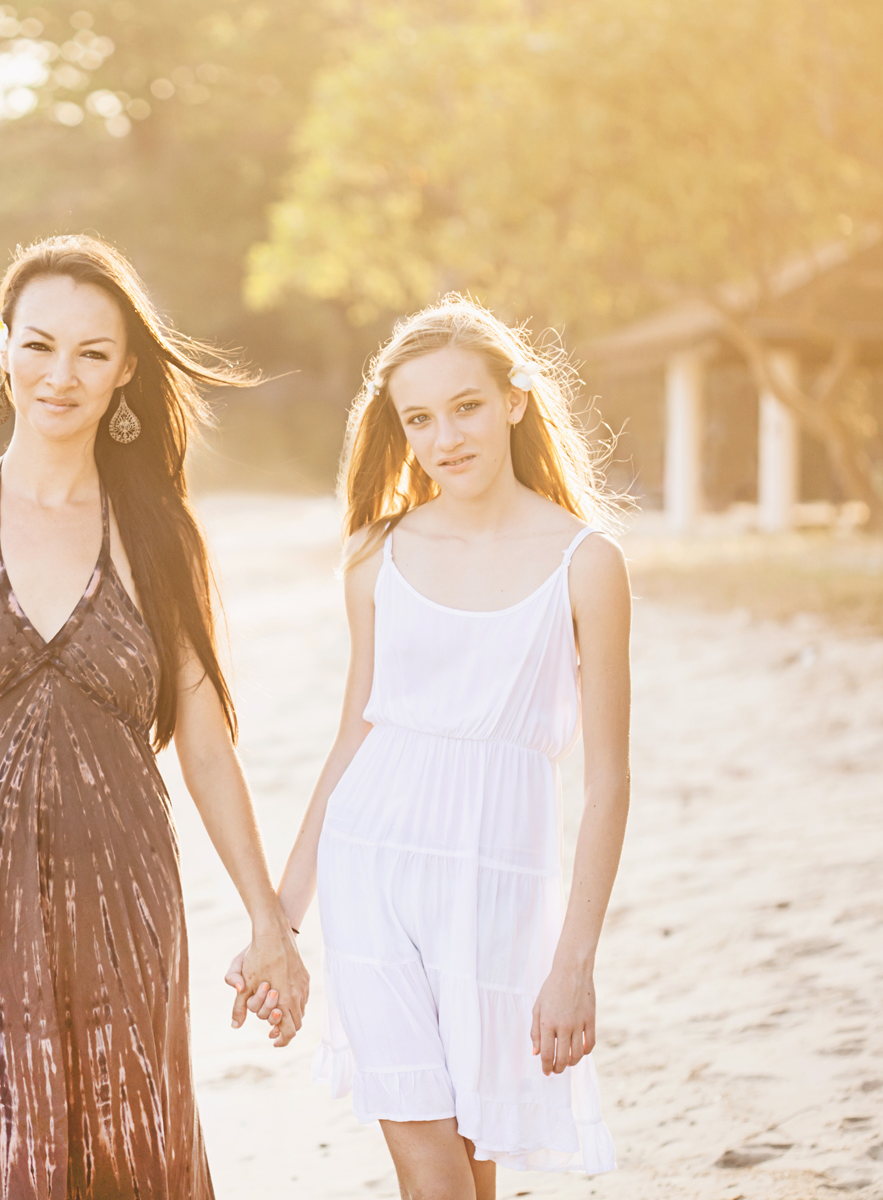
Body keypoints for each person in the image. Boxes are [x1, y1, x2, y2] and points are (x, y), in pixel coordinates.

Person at [0, 235, 308, 1198]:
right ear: (2, 347)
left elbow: (205, 743)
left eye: (92, 352)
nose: (61, 375)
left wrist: (268, 918)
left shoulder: (162, 534)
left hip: (126, 895)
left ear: (126, 369)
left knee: (136, 1159)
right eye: (39, 345)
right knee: (11, 1166)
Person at [260, 296, 629, 1197]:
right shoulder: (373, 556)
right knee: (426, 1153)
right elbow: (356, 734)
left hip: (499, 881)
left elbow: (610, 782)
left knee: (474, 1150)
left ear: (514, 400)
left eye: (465, 406)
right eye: (417, 419)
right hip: (372, 865)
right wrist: (280, 917)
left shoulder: (587, 562)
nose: (444, 438)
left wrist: (574, 964)